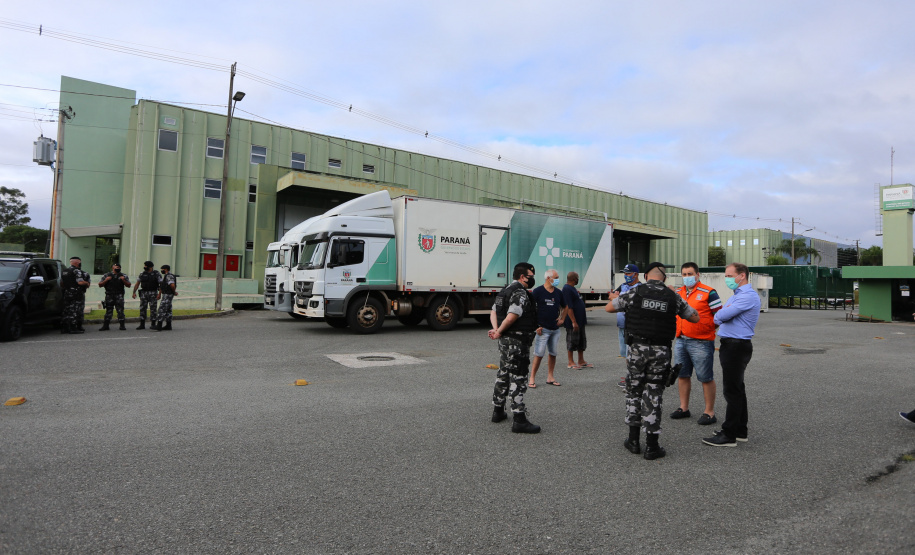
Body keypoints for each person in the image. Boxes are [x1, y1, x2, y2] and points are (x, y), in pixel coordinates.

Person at [606, 262, 699, 460]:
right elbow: (695, 317)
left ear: (646, 276)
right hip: (661, 351)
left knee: (634, 391)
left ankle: (633, 441)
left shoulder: (635, 292)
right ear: (664, 278)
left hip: (637, 350)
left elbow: (608, 308)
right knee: (654, 394)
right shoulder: (672, 296)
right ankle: (652, 446)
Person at [702, 263, 760, 447]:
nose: (726, 279)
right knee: (737, 389)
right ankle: (740, 430)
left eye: (729, 275)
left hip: (736, 346)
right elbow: (722, 314)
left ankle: (729, 435)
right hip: (732, 345)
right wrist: (721, 315)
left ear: (741, 276)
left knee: (732, 391)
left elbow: (721, 316)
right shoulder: (737, 295)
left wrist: (720, 315)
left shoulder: (747, 296)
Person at [488, 262, 541, 434]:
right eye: (531, 276)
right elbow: (512, 316)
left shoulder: (505, 290)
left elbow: (494, 311)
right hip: (517, 341)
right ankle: (519, 419)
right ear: (522, 277)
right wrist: (499, 331)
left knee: (503, 372)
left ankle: (498, 411)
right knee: (518, 376)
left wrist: (496, 330)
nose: (532, 279)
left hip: (505, 340)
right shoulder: (519, 292)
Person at [670, 263, 722, 425]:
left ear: (698, 275)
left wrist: (707, 329)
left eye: (690, 274)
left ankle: (709, 412)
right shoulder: (678, 292)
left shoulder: (709, 293)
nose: (687, 277)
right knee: (682, 375)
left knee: (705, 377)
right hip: (681, 340)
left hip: (701, 341)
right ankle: (683, 408)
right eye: (684, 274)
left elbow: (719, 316)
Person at [529, 269, 567, 387]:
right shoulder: (538, 291)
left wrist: (562, 319)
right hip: (542, 329)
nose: (558, 280)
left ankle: (550, 377)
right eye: (556, 277)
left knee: (553, 353)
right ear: (548, 278)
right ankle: (532, 378)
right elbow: (530, 309)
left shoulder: (558, 292)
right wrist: (536, 326)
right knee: (539, 354)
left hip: (555, 329)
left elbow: (565, 306)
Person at [615, 264, 641, 388]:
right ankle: (630, 375)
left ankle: (632, 378)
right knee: (625, 353)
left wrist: (618, 298)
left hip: (632, 326)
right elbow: (612, 297)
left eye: (628, 273)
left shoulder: (640, 288)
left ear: (636, 274)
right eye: (625, 273)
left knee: (633, 353)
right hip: (622, 325)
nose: (626, 276)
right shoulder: (623, 286)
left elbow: (619, 299)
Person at [562, 271, 591, 369]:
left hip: (580, 320)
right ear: (574, 279)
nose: (578, 279)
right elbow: (569, 307)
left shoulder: (573, 288)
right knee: (572, 340)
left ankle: (581, 360)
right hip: (573, 321)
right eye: (577, 278)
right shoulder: (566, 289)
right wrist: (573, 321)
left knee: (581, 341)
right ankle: (570, 362)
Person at [60, 256, 90, 334]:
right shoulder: (77, 271)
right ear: (77, 262)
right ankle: (73, 328)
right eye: (80, 262)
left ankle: (64, 328)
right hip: (76, 294)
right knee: (75, 310)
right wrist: (86, 283)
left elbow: (62, 283)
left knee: (66, 310)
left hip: (67, 293)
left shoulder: (64, 271)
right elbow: (80, 282)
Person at [98, 263, 131, 331]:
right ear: (113, 268)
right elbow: (100, 284)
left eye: (119, 267)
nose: (117, 268)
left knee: (120, 311)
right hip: (109, 295)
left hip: (119, 295)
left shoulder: (123, 275)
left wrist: (123, 280)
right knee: (108, 311)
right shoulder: (107, 275)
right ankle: (106, 325)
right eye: (116, 267)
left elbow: (129, 285)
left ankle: (122, 325)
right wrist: (106, 280)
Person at [132, 260, 160, 330]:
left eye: (146, 266)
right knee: (142, 308)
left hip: (153, 292)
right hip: (144, 293)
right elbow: (137, 283)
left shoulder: (156, 274)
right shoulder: (142, 274)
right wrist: (134, 292)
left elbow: (161, 284)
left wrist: (159, 294)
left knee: (153, 308)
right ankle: (142, 324)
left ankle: (153, 324)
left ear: (151, 267)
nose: (145, 267)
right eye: (144, 265)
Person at [155, 264, 177, 331]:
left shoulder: (169, 276)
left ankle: (159, 325)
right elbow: (162, 286)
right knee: (168, 310)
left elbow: (172, 285)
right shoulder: (166, 276)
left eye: (162, 269)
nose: (161, 271)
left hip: (168, 294)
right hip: (166, 294)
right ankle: (168, 325)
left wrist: (174, 292)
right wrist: (159, 294)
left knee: (162, 309)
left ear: (166, 269)